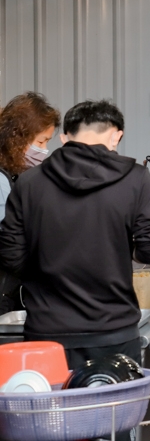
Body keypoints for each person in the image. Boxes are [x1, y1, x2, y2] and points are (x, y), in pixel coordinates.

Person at [0, 100, 150, 370]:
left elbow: (11, 255)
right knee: (114, 411)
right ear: (116, 135)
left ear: (66, 137)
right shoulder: (136, 179)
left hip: (47, 332)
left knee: (50, 412)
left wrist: (44, 272)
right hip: (113, 330)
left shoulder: (29, 183)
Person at [0, 93, 62, 315]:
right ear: (17, 137)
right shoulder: (1, 180)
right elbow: (7, 245)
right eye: (41, 141)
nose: (44, 150)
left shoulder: (16, 175)